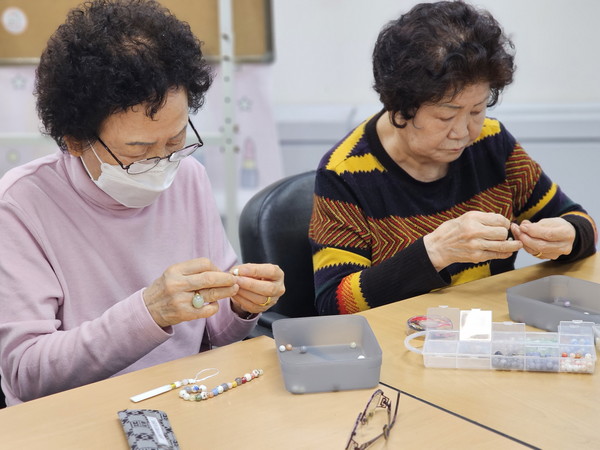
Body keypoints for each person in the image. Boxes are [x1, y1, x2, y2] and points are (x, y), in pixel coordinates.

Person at [0, 0, 284, 406]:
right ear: (76, 140)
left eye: (175, 140)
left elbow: (213, 333)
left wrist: (240, 306)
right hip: (74, 417)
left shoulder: (189, 177)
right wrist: (148, 313)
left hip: (182, 398)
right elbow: (28, 375)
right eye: (138, 150)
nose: (163, 163)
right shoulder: (21, 205)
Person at [309, 1, 597, 315]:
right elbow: (333, 305)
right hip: (405, 345)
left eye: (476, 110)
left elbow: (579, 221)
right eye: (446, 117)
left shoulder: (490, 142)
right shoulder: (345, 173)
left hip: (490, 334)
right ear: (399, 105)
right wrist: (433, 253)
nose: (463, 132)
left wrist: (568, 236)